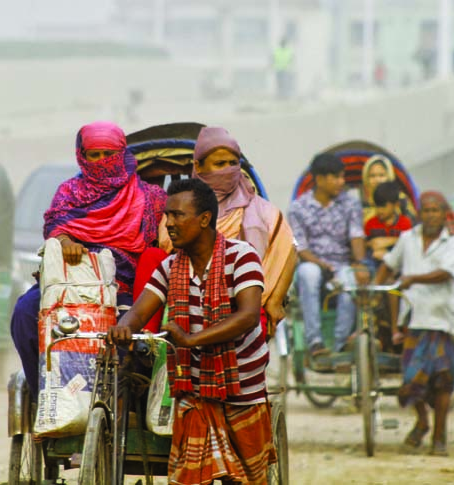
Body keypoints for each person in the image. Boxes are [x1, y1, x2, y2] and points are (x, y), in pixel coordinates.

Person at [109, 178, 276, 485]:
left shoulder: (242, 256)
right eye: (167, 215)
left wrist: (191, 340)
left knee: (247, 480)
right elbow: (140, 310)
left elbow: (249, 316)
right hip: (194, 391)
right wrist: (123, 328)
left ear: (204, 219)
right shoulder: (170, 266)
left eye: (177, 215)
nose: (169, 223)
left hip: (242, 390)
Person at [9, 121, 167, 400]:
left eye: (108, 154)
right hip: (71, 281)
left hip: (124, 285)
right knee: (24, 313)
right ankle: (43, 397)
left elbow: (163, 246)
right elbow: (55, 227)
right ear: (82, 156)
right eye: (93, 155)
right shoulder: (69, 191)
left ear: (121, 154)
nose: (101, 162)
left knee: (130, 337)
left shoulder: (150, 197)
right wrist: (66, 241)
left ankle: (122, 403)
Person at [159, 126, 297, 337]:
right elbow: (167, 251)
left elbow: (288, 251)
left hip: (248, 304)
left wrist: (276, 302)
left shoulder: (261, 210)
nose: (228, 169)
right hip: (188, 302)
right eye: (220, 164)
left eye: (233, 163)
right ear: (198, 166)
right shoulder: (178, 211)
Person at [374, 191, 454, 457]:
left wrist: (412, 279)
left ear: (444, 213)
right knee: (412, 382)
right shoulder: (407, 239)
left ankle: (440, 437)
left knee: (442, 382)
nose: (431, 215)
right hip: (413, 320)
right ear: (419, 213)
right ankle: (423, 421)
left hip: (443, 321)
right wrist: (376, 290)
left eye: (436, 210)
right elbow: (388, 265)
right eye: (426, 210)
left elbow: (446, 273)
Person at [289, 153, 369, 365]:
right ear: (320, 179)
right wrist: (319, 263)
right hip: (312, 263)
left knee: (350, 280)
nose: (341, 182)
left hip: (341, 265)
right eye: (336, 177)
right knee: (308, 274)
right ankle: (315, 342)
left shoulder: (350, 205)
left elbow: (356, 236)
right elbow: (300, 246)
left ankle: (340, 344)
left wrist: (360, 264)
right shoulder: (299, 208)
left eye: (342, 177)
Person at [365, 181, 414, 269]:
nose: (379, 210)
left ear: (396, 204)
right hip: (376, 260)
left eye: (383, 206)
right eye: (377, 206)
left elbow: (410, 243)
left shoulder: (404, 223)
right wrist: (372, 244)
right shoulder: (370, 223)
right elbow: (365, 244)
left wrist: (388, 242)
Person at [361, 154, 416, 225]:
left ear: (389, 176)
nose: (377, 180)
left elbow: (412, 224)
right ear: (366, 179)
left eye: (381, 175)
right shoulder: (362, 205)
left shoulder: (400, 198)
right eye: (372, 176)